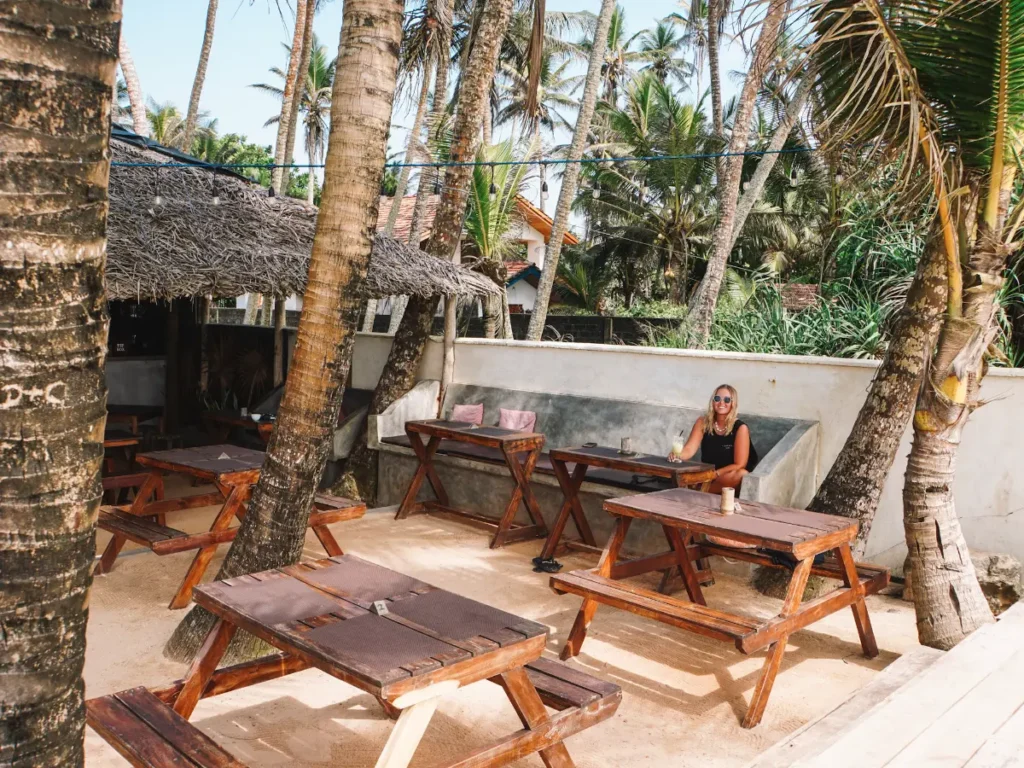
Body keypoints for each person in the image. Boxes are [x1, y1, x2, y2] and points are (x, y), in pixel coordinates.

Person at [670, 384, 759, 492]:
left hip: (726, 475)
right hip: (706, 474)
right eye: (717, 398)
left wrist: (715, 474)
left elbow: (739, 465)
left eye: (727, 400)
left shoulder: (740, 428)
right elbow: (689, 449)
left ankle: (700, 493)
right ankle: (700, 492)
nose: (722, 403)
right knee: (684, 475)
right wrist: (678, 455)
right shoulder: (702, 422)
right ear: (713, 402)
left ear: (733, 403)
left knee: (741, 474)